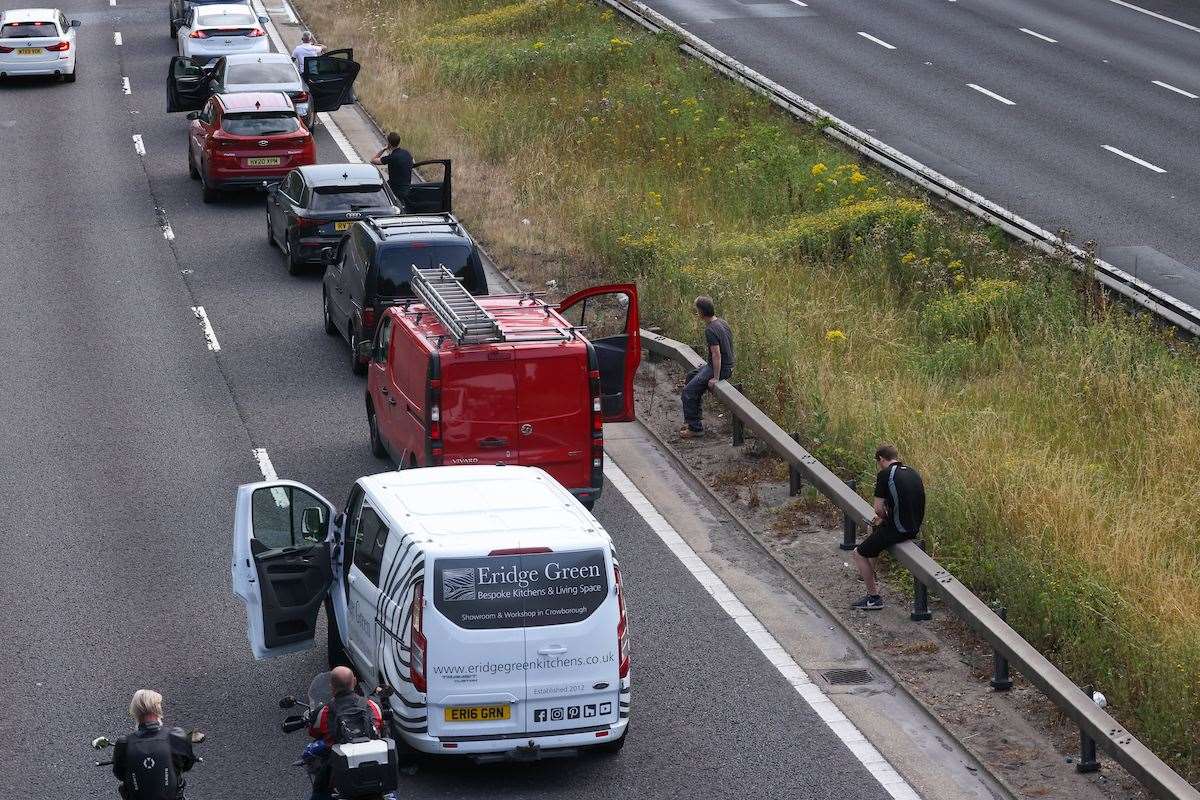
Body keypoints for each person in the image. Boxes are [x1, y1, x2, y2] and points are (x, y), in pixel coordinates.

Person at [851, 444, 926, 610]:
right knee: (875, 531)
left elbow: (878, 508)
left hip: (898, 530)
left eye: (878, 462)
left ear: (881, 459)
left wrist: (882, 517)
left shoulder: (885, 474)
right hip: (914, 526)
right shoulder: (912, 471)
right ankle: (871, 575)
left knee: (858, 553)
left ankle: (873, 598)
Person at [305, 667, 385, 800]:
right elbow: (380, 724)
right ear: (354, 681)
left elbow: (314, 731)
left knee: (319, 790)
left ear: (331, 687)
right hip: (374, 769)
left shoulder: (325, 712)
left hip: (340, 771)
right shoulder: (372, 706)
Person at [112, 690, 197, 800]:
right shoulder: (176, 736)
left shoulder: (124, 744)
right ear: (158, 709)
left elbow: (119, 774)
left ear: (135, 711)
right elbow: (188, 764)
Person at [680, 295, 734, 438]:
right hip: (726, 365)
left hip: (720, 369)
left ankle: (695, 428)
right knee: (691, 376)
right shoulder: (722, 322)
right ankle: (694, 417)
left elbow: (716, 354)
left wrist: (715, 378)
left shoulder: (710, 329)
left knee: (688, 392)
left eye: (697, 310)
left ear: (701, 312)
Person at [371, 132, 414, 204]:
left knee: (380, 193)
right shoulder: (406, 153)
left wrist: (383, 149)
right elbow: (413, 162)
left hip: (395, 190)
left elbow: (373, 160)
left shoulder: (391, 157)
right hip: (407, 188)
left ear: (389, 144)